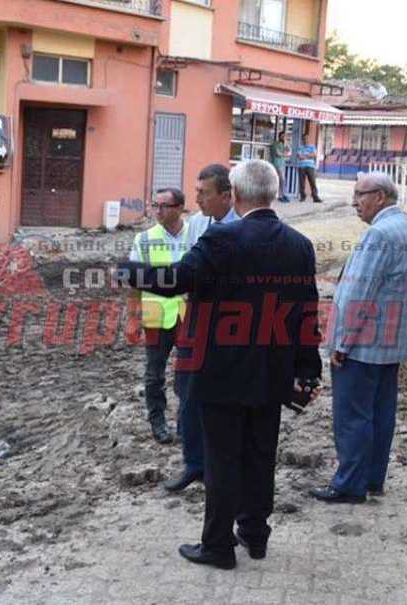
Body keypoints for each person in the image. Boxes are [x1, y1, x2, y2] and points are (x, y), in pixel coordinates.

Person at [118, 159, 323, 570]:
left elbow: (177, 279)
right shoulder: (299, 245)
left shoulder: (222, 239)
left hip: (220, 372)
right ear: (272, 193)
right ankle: (254, 534)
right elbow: (307, 312)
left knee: (223, 459)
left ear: (238, 194)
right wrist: (308, 369)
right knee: (261, 456)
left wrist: (130, 272)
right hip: (271, 372)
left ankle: (217, 546)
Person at [310, 172, 407, 504]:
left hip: (363, 345)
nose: (354, 202)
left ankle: (349, 484)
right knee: (380, 413)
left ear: (380, 196)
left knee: (353, 417)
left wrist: (341, 342)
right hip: (391, 343)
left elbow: (357, 294)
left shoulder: (378, 235)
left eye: (360, 194)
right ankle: (373, 478)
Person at [163, 164, 240, 492]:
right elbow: (188, 270)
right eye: (196, 192)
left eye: (203, 193)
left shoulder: (243, 226)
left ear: (226, 195)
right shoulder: (197, 224)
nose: (197, 199)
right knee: (188, 392)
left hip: (232, 324)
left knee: (223, 399)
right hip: (195, 318)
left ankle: (220, 465)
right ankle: (194, 463)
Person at [126, 188, 196, 444]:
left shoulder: (197, 234)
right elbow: (134, 281)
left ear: (179, 208)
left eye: (163, 206)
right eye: (154, 205)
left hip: (189, 314)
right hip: (156, 314)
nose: (157, 211)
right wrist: (133, 317)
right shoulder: (144, 239)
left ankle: (185, 424)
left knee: (190, 373)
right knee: (154, 374)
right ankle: (158, 423)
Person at [296, 134, 322, 203]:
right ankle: (302, 196)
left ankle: (315, 197)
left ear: (308, 139)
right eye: (304, 138)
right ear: (302, 140)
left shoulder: (312, 147)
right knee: (302, 182)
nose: (306, 140)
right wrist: (308, 155)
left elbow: (314, 155)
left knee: (312, 182)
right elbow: (299, 156)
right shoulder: (300, 147)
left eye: (307, 138)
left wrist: (305, 156)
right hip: (301, 166)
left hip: (310, 166)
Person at [269, 131, 291, 202]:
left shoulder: (284, 144)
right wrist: (285, 154)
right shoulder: (275, 144)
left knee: (281, 180)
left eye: (285, 136)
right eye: (283, 136)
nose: (284, 137)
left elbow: (290, 152)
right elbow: (278, 154)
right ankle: (280, 195)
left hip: (282, 164)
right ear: (280, 136)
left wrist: (286, 145)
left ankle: (283, 195)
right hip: (276, 164)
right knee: (281, 179)